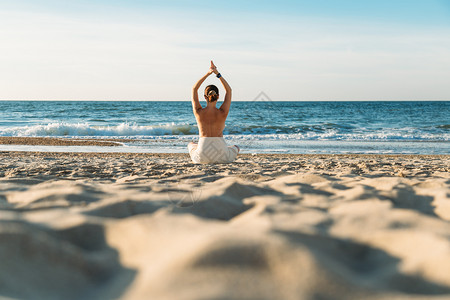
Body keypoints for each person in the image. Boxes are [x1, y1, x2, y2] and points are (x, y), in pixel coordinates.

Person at [188, 61, 239, 163]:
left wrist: (208, 73)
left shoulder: (198, 112)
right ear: (218, 96)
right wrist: (217, 74)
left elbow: (194, 89)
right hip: (222, 154)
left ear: (205, 97)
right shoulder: (223, 112)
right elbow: (229, 90)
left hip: (202, 155)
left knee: (191, 144)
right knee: (235, 147)